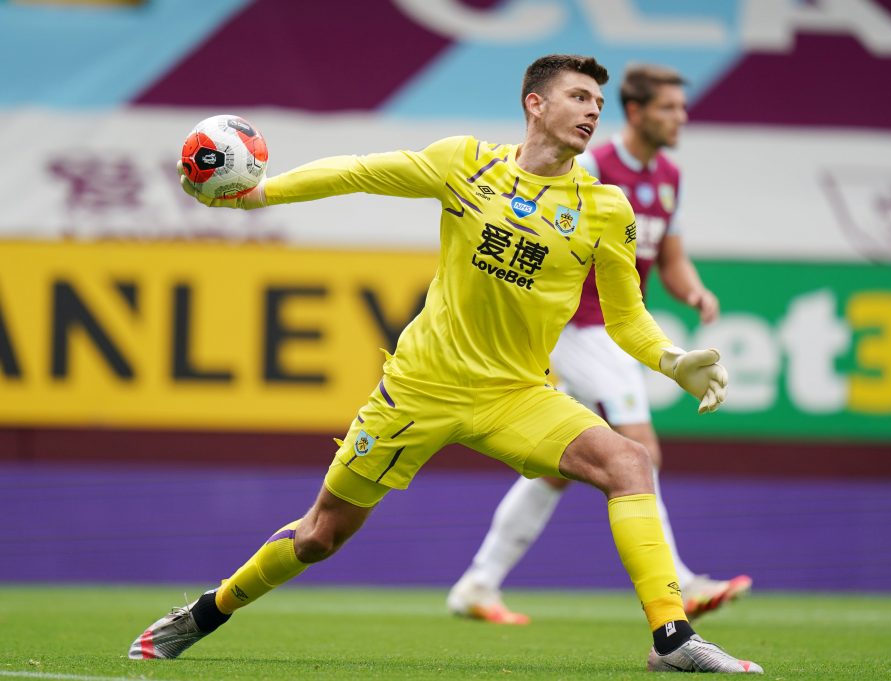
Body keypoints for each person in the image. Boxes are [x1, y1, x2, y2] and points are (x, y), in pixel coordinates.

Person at [128, 54, 761, 674]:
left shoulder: (606, 209)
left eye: (597, 102)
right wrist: (254, 197)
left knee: (628, 460)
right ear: (534, 105)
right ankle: (208, 612)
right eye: (577, 97)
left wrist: (673, 361)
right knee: (321, 535)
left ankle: (672, 639)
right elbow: (356, 172)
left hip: (516, 394)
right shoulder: (466, 163)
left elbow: (626, 318)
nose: (592, 111)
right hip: (419, 389)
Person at [447, 64, 751, 627]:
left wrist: (694, 292)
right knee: (639, 448)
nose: (680, 117)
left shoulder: (668, 178)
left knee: (557, 470)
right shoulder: (589, 165)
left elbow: (670, 258)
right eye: (668, 108)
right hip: (575, 327)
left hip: (610, 331)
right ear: (637, 113)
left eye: (682, 108)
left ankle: (476, 583)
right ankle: (678, 585)